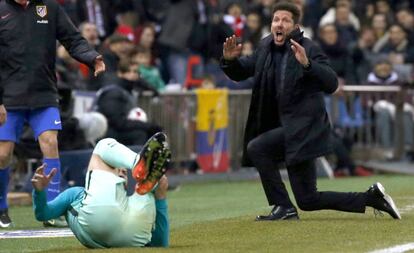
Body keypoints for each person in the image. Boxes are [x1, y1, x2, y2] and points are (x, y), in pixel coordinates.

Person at [220, 2, 401, 221]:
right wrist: (230, 61)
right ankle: (371, 198)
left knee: (257, 148)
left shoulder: (309, 48)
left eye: (285, 20)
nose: (279, 24)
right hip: (286, 129)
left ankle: (283, 207)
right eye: (276, 19)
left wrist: (307, 64)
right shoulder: (265, 47)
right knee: (308, 200)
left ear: (295, 25)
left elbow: (332, 83)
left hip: (304, 128)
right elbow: (242, 71)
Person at [0, 0, 105, 228]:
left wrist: (90, 56)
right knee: (2, 154)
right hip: (8, 96)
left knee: (50, 142)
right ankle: (1, 207)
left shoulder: (50, 8)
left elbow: (72, 38)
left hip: (43, 93)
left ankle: (51, 209)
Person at [31, 132, 171, 248]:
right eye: (117, 167)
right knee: (148, 191)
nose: (122, 170)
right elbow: (160, 244)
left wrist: (39, 192)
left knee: (103, 145)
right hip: (133, 235)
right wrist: (161, 200)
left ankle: (142, 168)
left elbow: (43, 214)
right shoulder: (78, 193)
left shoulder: (79, 194)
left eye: (123, 170)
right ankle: (146, 173)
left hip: (103, 222)